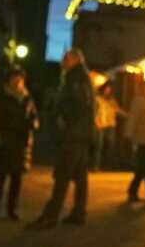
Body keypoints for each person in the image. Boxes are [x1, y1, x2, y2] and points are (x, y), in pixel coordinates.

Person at [27, 48, 95, 230]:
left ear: (74, 60)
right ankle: (78, 213)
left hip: (73, 135)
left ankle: (51, 216)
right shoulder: (81, 77)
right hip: (80, 134)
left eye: (65, 58)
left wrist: (63, 119)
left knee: (63, 174)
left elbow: (78, 104)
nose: (62, 62)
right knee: (80, 176)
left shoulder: (76, 78)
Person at [0, 68, 39, 222]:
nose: (17, 82)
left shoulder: (27, 98)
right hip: (4, 141)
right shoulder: (2, 96)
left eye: (20, 79)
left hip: (21, 143)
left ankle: (12, 209)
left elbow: (34, 116)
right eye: (14, 78)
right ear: (8, 80)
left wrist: (33, 124)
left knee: (16, 179)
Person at [92, 81, 124, 171]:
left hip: (110, 125)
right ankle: (95, 166)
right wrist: (96, 122)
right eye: (106, 89)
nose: (107, 91)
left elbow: (117, 111)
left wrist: (128, 115)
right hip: (101, 124)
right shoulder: (97, 99)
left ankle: (106, 166)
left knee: (109, 146)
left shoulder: (112, 101)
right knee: (99, 146)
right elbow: (94, 112)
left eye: (109, 89)